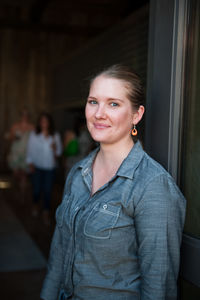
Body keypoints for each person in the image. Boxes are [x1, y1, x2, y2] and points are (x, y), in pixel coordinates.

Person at [40, 65, 186, 300]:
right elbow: (59, 254)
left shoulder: (152, 185)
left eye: (114, 104)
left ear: (136, 115)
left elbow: (158, 285)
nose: (99, 113)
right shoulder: (78, 173)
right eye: (93, 101)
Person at [26, 112, 62, 225]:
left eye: (46, 121)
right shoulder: (34, 134)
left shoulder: (55, 135)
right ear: (39, 122)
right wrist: (30, 163)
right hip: (36, 167)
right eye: (42, 121)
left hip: (50, 168)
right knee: (36, 190)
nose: (44, 123)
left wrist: (55, 148)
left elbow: (59, 153)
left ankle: (46, 213)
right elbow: (29, 149)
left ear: (49, 123)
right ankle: (35, 205)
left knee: (47, 191)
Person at [7, 108, 34, 201]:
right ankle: (16, 189)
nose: (24, 116)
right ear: (20, 115)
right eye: (23, 114)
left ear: (28, 116)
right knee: (16, 174)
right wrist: (14, 137)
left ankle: (22, 196)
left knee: (24, 176)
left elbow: (34, 141)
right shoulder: (15, 126)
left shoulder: (32, 127)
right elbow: (9, 138)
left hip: (26, 154)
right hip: (15, 154)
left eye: (26, 114)